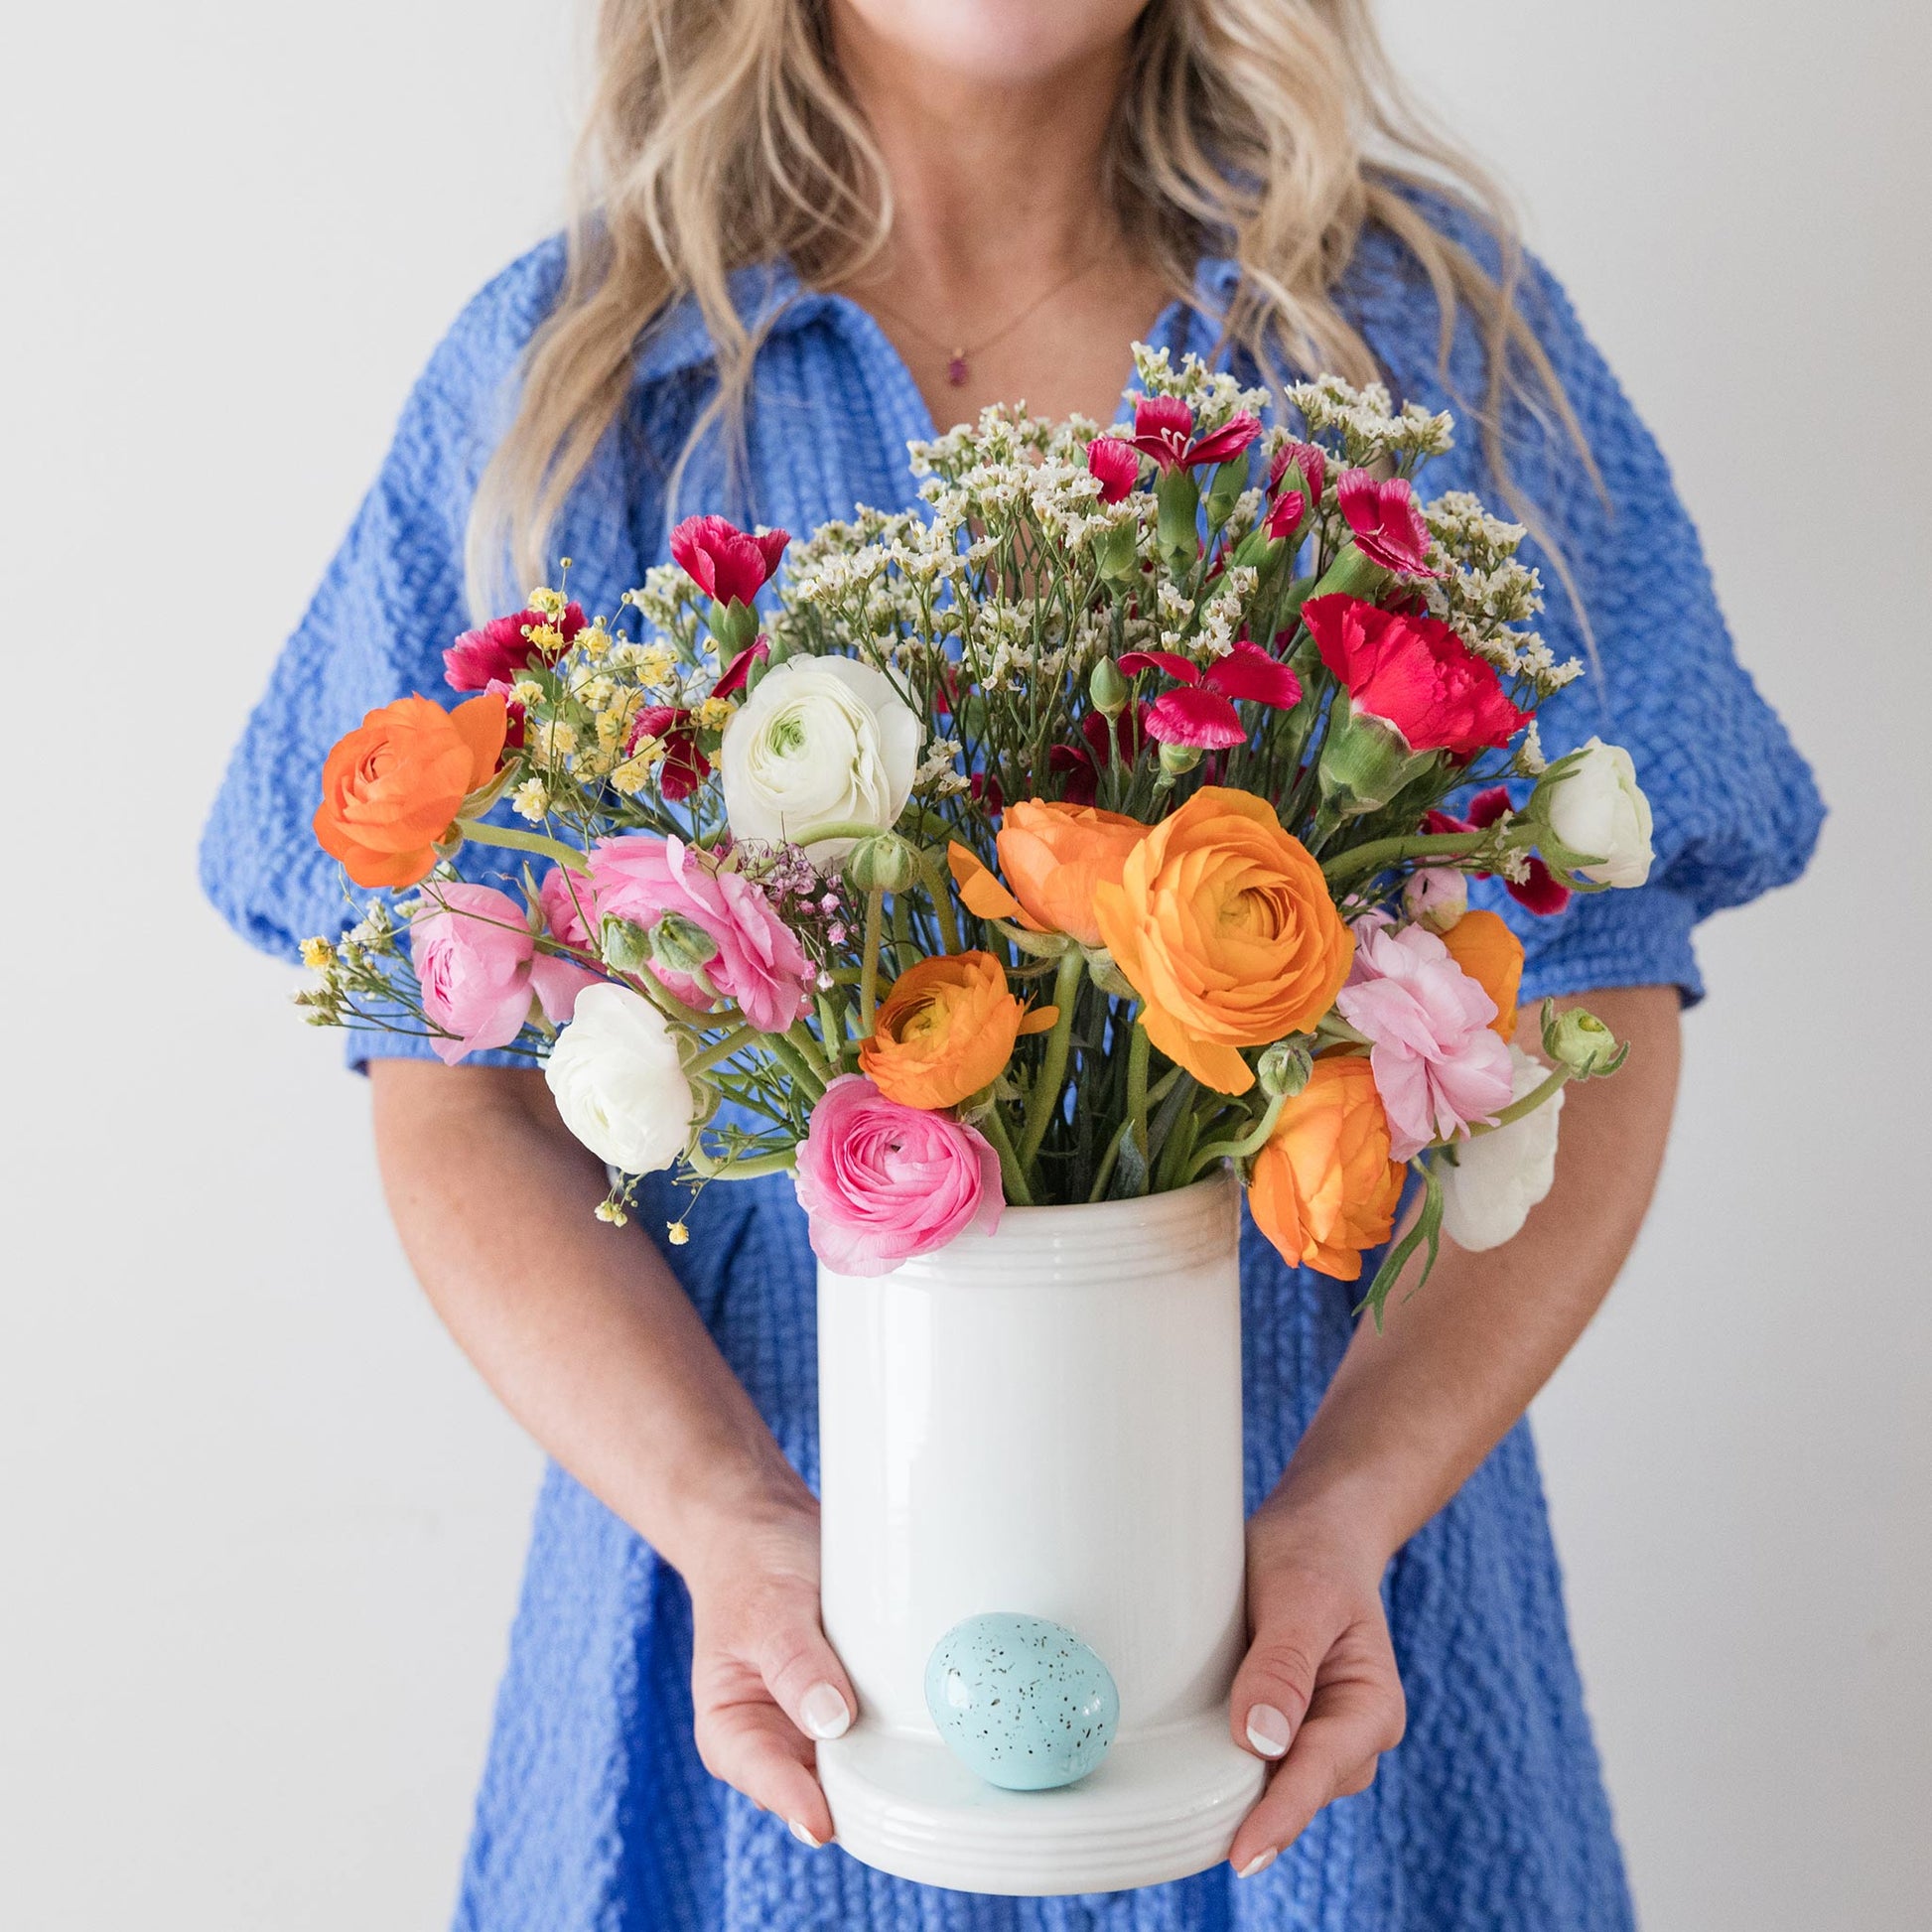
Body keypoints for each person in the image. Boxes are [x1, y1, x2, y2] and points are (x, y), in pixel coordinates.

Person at [202, 1, 1823, 1925]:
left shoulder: (1426, 343)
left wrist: (1343, 1508)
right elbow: (445, 1074)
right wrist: (726, 1523)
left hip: (1318, 1663)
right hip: (770, 1671)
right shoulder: (576, 386)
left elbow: (1586, 996)